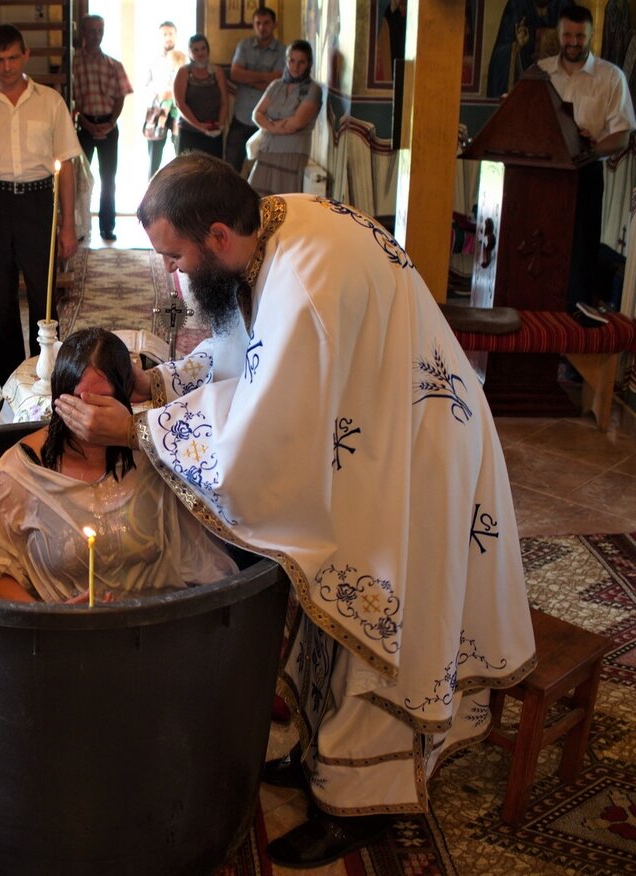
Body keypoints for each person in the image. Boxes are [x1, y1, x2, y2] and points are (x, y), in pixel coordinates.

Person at [54, 154, 536, 868]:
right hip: (375, 429)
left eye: (176, 257)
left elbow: (262, 442)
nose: (174, 277)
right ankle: (320, 753)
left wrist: (139, 432)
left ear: (218, 235)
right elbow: (248, 352)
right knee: (327, 591)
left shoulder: (307, 283)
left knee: (373, 602)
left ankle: (360, 801)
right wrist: (168, 378)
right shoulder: (272, 226)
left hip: (408, 459)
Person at [0, 327, 240, 602]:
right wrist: (50, 620)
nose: (90, 418)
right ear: (58, 396)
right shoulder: (19, 474)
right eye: (78, 403)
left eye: (103, 402)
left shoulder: (155, 456)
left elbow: (196, 557)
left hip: (152, 625)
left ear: (127, 397)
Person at [0, 24, 81, 390]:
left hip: (40, 202)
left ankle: (44, 382)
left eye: (13, 58)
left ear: (25, 56)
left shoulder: (51, 101)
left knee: (43, 298)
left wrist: (67, 225)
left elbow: (66, 166)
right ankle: (11, 388)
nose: (7, 66)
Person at [536, 6, 635, 310]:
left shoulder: (611, 77)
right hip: (542, 174)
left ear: (591, 35)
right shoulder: (540, 72)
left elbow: (622, 135)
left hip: (585, 174)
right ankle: (536, 318)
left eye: (580, 35)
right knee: (539, 246)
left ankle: (571, 335)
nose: (574, 42)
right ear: (559, 34)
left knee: (579, 254)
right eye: (568, 34)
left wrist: (592, 149)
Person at [73, 14, 133, 243]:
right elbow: (69, 98)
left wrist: (111, 122)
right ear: (83, 33)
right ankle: (79, 225)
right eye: (91, 31)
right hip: (83, 125)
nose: (96, 35)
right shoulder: (74, 62)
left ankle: (107, 227)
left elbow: (120, 97)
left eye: (100, 30)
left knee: (109, 178)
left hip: (108, 125)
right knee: (81, 179)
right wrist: (85, 122)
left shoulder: (113, 64)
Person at [248, 40, 322, 197]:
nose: (295, 67)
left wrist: (268, 125)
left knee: (285, 203)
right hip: (267, 150)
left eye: (301, 62)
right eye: (292, 61)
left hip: (291, 153)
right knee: (256, 201)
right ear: (286, 60)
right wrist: (275, 127)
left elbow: (297, 122)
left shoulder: (313, 89)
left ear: (309, 63)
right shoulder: (276, 85)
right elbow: (256, 114)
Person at [226, 6, 284, 175]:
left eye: (266, 23)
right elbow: (235, 74)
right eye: (258, 23)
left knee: (264, 171)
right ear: (253, 25)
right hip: (241, 117)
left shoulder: (283, 51)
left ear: (275, 24)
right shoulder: (244, 45)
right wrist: (265, 77)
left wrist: (249, 78)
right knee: (231, 166)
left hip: (267, 120)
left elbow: (277, 83)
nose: (262, 27)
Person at [173, 34, 228, 159]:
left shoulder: (217, 71)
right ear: (189, 52)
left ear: (208, 50)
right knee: (188, 172)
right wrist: (199, 126)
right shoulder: (184, 72)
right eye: (195, 50)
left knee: (214, 171)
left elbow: (224, 101)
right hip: (189, 132)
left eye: (203, 48)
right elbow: (179, 103)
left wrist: (221, 124)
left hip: (213, 132)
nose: (200, 53)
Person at [144, 21, 186, 179]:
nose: (168, 37)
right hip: (157, 110)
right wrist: (160, 94)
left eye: (171, 34)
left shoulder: (183, 58)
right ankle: (150, 196)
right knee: (153, 159)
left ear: (176, 35)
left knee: (181, 154)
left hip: (178, 111)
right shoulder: (152, 59)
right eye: (165, 34)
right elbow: (146, 85)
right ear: (159, 37)